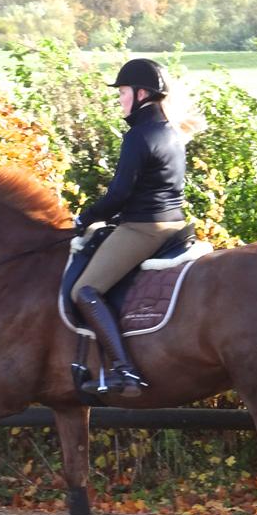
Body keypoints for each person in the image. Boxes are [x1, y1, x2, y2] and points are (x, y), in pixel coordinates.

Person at [71, 58, 188, 397]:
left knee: (85, 291)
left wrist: (85, 217)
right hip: (174, 224)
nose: (120, 99)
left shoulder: (138, 136)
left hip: (143, 227)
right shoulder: (171, 131)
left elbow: (119, 195)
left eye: (122, 92)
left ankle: (125, 371)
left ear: (141, 94)